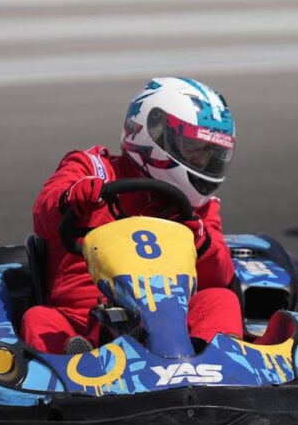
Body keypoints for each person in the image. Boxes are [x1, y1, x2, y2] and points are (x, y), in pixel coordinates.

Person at [21, 77, 243, 354]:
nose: (203, 162)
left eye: (211, 153)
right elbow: (44, 215)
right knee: (39, 318)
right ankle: (74, 364)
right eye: (194, 150)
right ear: (153, 132)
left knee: (220, 299)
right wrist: (71, 200)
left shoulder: (198, 207)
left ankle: (210, 361)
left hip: (174, 320)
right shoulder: (91, 168)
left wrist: (202, 240)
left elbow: (220, 276)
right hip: (85, 317)